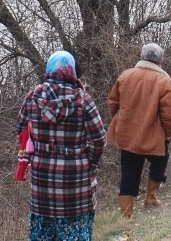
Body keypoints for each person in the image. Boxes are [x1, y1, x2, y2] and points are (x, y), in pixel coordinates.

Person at [16, 51, 107, 240]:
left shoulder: (32, 98)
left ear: (49, 69)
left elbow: (20, 129)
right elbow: (99, 139)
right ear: (72, 71)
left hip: (42, 187)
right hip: (77, 186)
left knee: (43, 234)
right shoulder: (83, 100)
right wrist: (90, 162)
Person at [106, 43, 171, 219]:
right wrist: (168, 133)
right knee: (160, 163)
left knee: (129, 172)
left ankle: (126, 214)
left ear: (141, 56)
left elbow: (113, 103)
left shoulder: (126, 75)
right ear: (161, 60)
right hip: (154, 135)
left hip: (128, 134)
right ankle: (151, 198)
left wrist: (121, 122)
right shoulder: (164, 81)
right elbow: (168, 114)